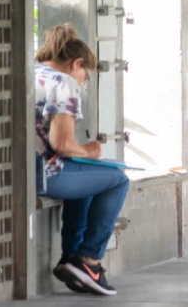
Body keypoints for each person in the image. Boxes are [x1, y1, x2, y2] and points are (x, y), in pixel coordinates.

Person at [35, 24, 130, 296]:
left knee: (90, 177)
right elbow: (62, 144)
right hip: (43, 175)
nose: (82, 82)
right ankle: (89, 259)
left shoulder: (28, 71)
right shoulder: (63, 83)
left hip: (17, 169)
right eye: (84, 76)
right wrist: (89, 150)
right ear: (76, 63)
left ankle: (71, 260)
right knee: (116, 180)